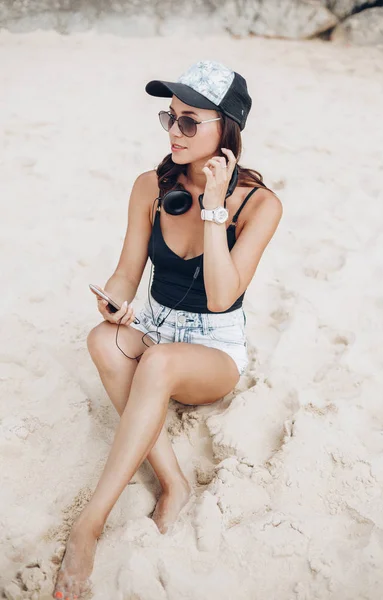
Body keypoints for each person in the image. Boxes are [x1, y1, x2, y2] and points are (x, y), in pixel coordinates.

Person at [53, 59, 283, 599]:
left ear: (225, 129)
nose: (174, 132)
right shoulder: (149, 187)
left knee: (156, 363)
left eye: (189, 121)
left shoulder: (261, 205)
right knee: (100, 341)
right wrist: (115, 301)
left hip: (212, 348)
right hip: (157, 325)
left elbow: (224, 295)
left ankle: (89, 525)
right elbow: (128, 271)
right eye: (170, 119)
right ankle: (175, 483)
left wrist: (211, 211)